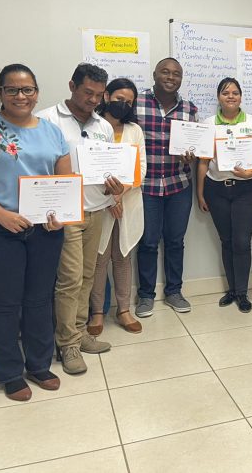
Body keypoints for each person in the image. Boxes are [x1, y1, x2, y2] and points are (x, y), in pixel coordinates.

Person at [0, 64, 69, 401]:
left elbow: (64, 180)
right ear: (1, 93)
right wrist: (1, 215)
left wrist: (61, 215)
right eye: (12, 90)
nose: (20, 96)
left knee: (39, 299)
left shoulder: (52, 131)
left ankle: (39, 365)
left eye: (27, 90)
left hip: (45, 231)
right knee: (5, 303)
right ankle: (9, 372)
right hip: (0, 228)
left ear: (36, 93)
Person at [39, 63, 123, 375]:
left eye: (99, 95)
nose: (94, 100)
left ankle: (79, 331)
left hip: (96, 208)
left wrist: (115, 185)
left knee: (88, 275)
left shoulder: (103, 125)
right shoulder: (47, 119)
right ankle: (67, 343)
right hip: (65, 213)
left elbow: (108, 168)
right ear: (72, 86)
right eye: (88, 92)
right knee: (70, 279)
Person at [197, 78, 252, 312]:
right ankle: (231, 289)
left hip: (246, 190)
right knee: (226, 241)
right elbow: (203, 162)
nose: (231, 96)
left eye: (235, 92)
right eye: (226, 92)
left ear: (241, 97)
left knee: (241, 241)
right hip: (216, 189)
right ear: (219, 97)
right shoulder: (208, 124)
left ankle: (242, 292)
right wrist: (200, 193)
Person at [134, 58, 198, 318]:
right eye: (165, 72)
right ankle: (146, 295)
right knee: (148, 242)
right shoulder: (137, 103)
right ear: (154, 74)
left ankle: (174, 291)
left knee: (175, 242)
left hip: (178, 184)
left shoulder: (190, 109)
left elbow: (196, 145)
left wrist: (191, 155)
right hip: (146, 186)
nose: (171, 77)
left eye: (176, 74)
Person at [88, 79, 147, 336]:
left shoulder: (135, 130)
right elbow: (89, 166)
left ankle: (124, 310)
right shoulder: (93, 126)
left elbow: (141, 169)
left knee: (123, 257)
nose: (123, 104)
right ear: (106, 96)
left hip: (128, 202)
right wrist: (111, 199)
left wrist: (119, 195)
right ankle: (97, 312)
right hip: (100, 203)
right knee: (98, 259)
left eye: (129, 102)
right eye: (119, 99)